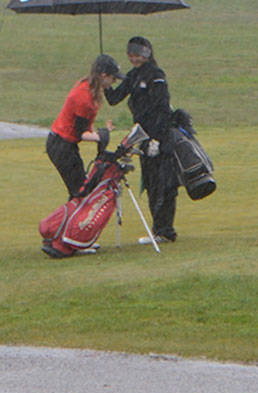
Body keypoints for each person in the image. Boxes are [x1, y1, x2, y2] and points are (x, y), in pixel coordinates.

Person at [106, 36, 179, 242]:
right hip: (143, 137)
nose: (133, 59)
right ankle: (158, 229)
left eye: (137, 55)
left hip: (160, 137)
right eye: (130, 55)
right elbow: (113, 99)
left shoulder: (156, 75)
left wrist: (157, 138)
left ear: (146, 54)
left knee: (163, 183)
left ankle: (165, 230)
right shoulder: (133, 76)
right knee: (150, 182)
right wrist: (104, 81)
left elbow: (163, 108)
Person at [46, 54, 120, 198]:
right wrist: (100, 136)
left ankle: (72, 219)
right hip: (61, 145)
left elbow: (85, 126)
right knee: (80, 191)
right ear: (104, 76)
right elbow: (82, 133)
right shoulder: (84, 97)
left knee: (80, 188)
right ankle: (68, 220)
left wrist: (101, 132)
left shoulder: (86, 86)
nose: (113, 82)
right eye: (113, 78)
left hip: (63, 144)